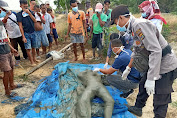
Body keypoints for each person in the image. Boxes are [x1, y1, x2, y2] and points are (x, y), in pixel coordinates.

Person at [110, 5, 177, 117]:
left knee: (160, 97)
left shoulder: (139, 25)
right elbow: (137, 49)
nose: (117, 25)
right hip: (155, 62)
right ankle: (138, 108)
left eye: (116, 22)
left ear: (121, 18)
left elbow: (155, 50)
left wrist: (152, 78)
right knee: (143, 85)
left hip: (165, 65)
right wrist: (128, 68)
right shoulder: (133, 27)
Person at [0, 0, 23, 97]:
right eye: (4, 10)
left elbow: (4, 37)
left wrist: (11, 48)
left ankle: (12, 85)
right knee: (6, 70)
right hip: (1, 51)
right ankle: (7, 91)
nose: (6, 12)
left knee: (11, 67)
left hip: (6, 48)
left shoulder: (0, 22)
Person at [17, 0, 39, 66]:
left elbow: (35, 21)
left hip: (33, 32)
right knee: (28, 48)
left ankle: (34, 59)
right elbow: (20, 26)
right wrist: (23, 36)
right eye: (24, 7)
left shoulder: (31, 12)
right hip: (26, 33)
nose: (26, 8)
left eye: (27, 6)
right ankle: (32, 62)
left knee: (33, 47)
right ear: (21, 6)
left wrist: (29, 13)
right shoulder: (19, 14)